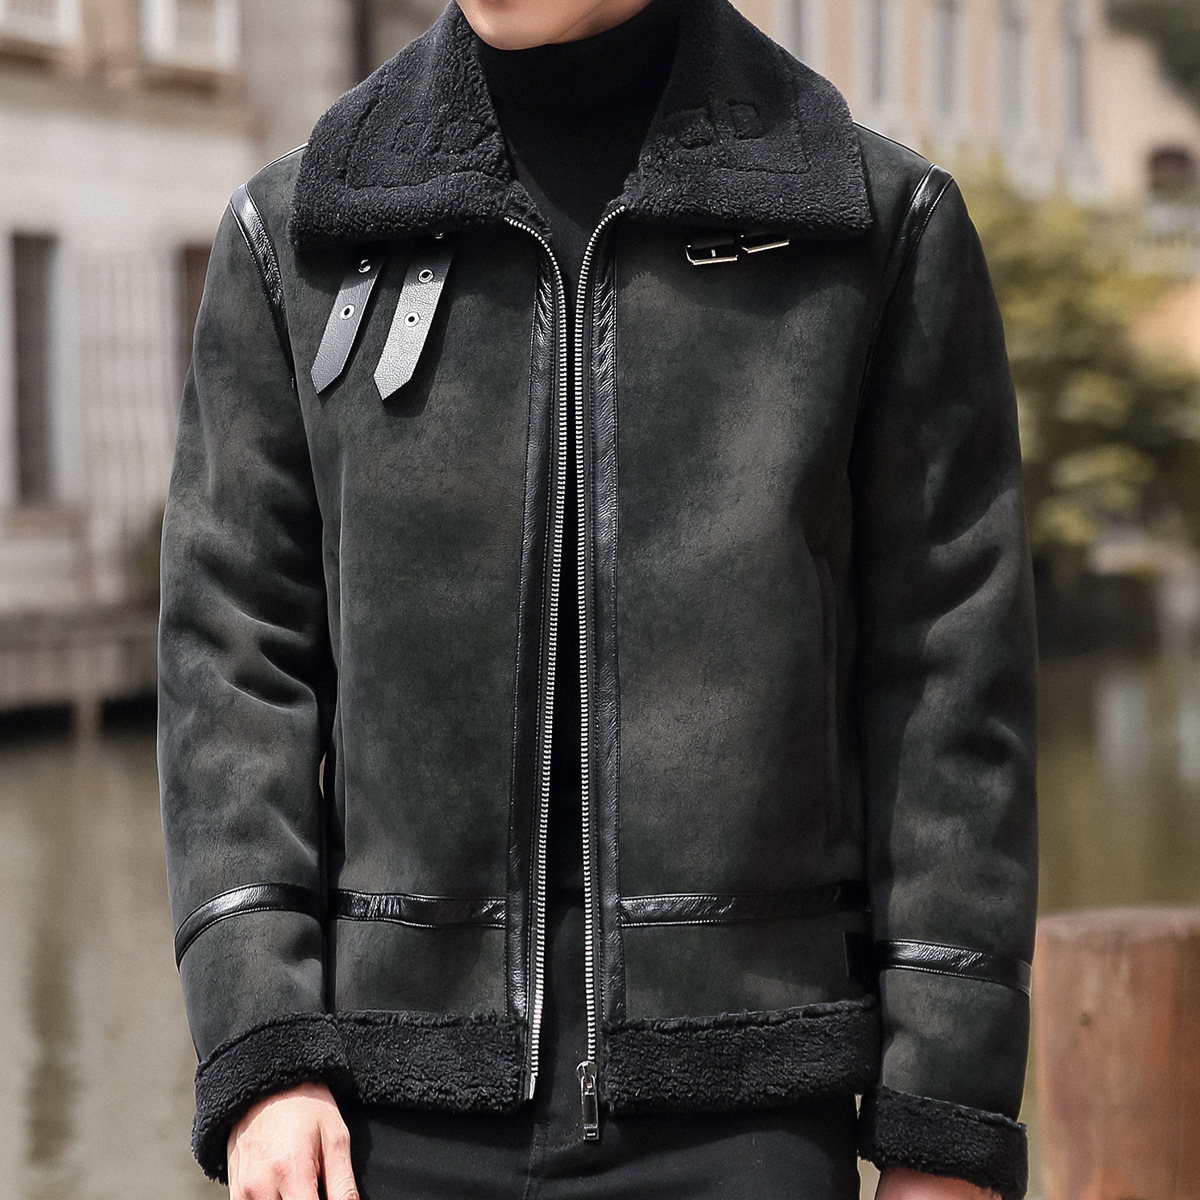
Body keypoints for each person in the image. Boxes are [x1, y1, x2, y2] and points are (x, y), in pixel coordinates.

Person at [157, 1, 1039, 1198]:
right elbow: (230, 662)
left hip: (749, 1115)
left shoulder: (877, 228)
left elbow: (950, 686)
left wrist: (945, 1127)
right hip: (381, 1120)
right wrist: (262, 1045)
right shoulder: (297, 236)